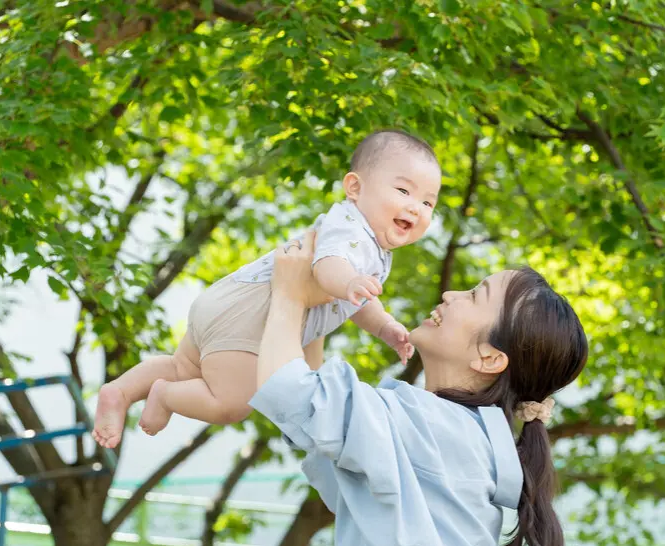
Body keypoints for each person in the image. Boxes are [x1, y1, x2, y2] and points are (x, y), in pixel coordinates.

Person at [91, 130, 442, 449]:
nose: (416, 207)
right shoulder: (351, 229)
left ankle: (119, 391)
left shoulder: (372, 248)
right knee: (231, 404)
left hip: (233, 300)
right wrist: (349, 281)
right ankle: (165, 396)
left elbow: (355, 301)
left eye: (428, 202)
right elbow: (328, 267)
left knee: (184, 367)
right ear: (355, 188)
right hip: (252, 318)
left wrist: (383, 325)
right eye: (403, 190)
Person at [250, 229, 588, 546]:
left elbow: (289, 391)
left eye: (474, 295)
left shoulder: (435, 429)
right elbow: (322, 435)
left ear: (490, 358)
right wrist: (319, 309)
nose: (450, 295)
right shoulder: (464, 439)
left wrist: (290, 293)